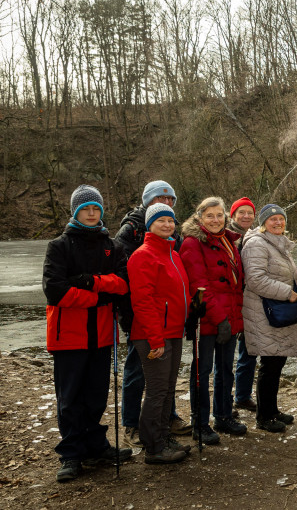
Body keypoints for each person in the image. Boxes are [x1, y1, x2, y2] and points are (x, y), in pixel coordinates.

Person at [43, 185, 133, 482]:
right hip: (68, 334)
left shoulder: (112, 246)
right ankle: (71, 453)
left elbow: (122, 284)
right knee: (69, 397)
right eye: (86, 209)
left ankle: (95, 445)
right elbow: (55, 290)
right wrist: (98, 296)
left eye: (96, 208)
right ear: (76, 212)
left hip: (102, 333)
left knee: (95, 394)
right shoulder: (59, 246)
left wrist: (88, 282)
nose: (92, 213)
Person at [115, 180, 190, 446]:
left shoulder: (173, 245)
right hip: (143, 321)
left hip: (170, 325)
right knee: (142, 375)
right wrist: (130, 318)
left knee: (166, 383)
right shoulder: (132, 237)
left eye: (170, 202)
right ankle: (135, 426)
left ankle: (163, 425)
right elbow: (134, 286)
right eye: (160, 199)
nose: (166, 204)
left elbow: (177, 284)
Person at [179, 197, 247, 444]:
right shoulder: (192, 243)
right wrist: (220, 319)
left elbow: (236, 284)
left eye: (219, 215)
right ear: (199, 218)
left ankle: (223, 414)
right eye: (210, 216)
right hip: (206, 319)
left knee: (225, 369)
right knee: (202, 371)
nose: (216, 220)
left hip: (229, 316)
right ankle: (200, 422)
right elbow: (200, 286)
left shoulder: (228, 241)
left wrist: (234, 319)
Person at [241, 204, 297, 433]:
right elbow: (255, 279)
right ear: (263, 222)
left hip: (276, 312)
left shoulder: (279, 244)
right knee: (269, 364)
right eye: (273, 219)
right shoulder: (257, 243)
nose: (278, 222)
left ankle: (272, 410)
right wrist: (288, 293)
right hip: (264, 314)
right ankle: (263, 417)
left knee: (276, 363)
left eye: (281, 219)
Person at [228, 197, 259, 414]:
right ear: (233, 215)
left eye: (249, 212)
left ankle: (242, 395)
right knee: (228, 355)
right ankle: (226, 402)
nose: (246, 216)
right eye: (242, 212)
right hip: (231, 301)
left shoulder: (256, 235)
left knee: (248, 351)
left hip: (251, 300)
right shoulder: (227, 236)